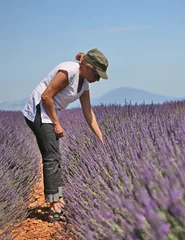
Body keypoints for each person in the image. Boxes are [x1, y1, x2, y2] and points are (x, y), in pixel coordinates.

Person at [22, 48, 108, 222]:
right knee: (51, 156)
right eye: (97, 74)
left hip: (49, 113)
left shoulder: (84, 83)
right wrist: (56, 123)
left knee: (55, 155)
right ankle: (54, 206)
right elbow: (46, 96)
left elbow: (88, 111)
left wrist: (100, 137)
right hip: (39, 110)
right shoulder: (68, 71)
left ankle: (58, 198)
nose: (98, 79)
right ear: (88, 67)